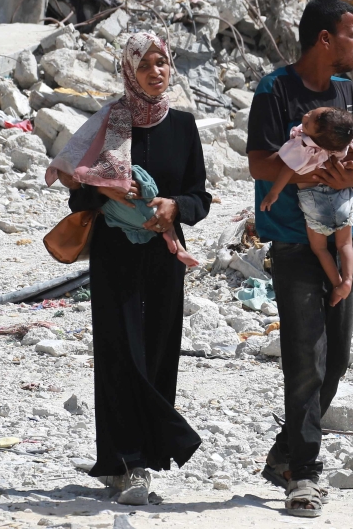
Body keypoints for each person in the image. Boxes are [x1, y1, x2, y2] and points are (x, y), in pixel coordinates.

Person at [45, 32, 211, 505]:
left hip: (163, 252)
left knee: (158, 350)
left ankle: (151, 453)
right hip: (115, 250)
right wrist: (107, 190)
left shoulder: (182, 126)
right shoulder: (108, 124)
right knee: (119, 352)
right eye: (146, 66)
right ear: (128, 72)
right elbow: (78, 191)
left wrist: (174, 207)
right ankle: (127, 462)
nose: (156, 72)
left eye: (162, 63)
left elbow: (201, 197)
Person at [246, 0, 353, 517]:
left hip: (344, 234)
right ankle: (304, 475)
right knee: (306, 360)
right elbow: (258, 160)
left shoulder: (348, 92)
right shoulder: (275, 90)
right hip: (294, 240)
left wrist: (350, 176)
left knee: (336, 358)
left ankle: (285, 454)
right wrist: (304, 175)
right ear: (325, 39)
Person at [259, 106, 353, 306]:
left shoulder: (303, 145)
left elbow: (287, 169)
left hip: (314, 200)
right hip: (341, 195)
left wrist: (273, 192)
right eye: (312, 114)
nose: (306, 116)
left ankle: (337, 283)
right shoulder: (345, 139)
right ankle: (347, 280)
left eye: (309, 122)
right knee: (344, 244)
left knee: (319, 249)